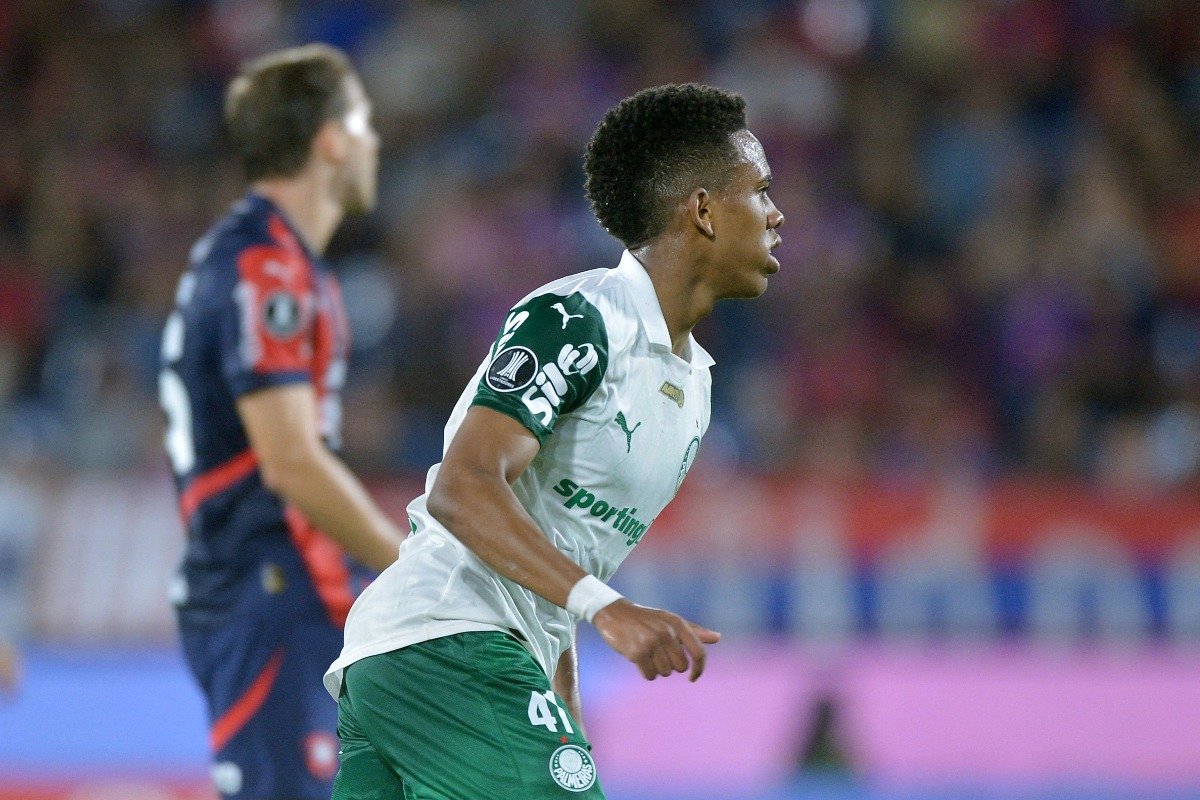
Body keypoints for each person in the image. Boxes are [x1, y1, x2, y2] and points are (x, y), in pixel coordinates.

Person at [325, 83, 784, 799]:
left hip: (437, 663)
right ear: (701, 210)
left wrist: (561, 693)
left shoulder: (693, 386)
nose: (776, 214)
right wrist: (608, 608)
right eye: (758, 191)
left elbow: (564, 541)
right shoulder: (579, 320)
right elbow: (462, 488)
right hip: (449, 641)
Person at [158, 44, 405, 800]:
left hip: (292, 577)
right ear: (329, 139)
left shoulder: (279, 261)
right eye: (361, 123)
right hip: (262, 583)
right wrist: (412, 568)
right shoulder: (265, 268)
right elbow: (292, 462)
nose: (375, 142)